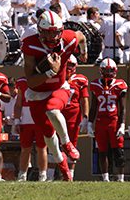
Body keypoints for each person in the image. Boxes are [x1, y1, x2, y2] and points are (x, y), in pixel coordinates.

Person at [21, 10, 87, 181]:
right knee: (49, 137)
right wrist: (50, 71)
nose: (52, 37)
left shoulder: (68, 38)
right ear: (40, 31)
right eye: (47, 33)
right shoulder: (30, 45)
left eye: (55, 33)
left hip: (59, 88)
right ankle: (63, 165)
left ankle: (67, 143)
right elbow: (31, 81)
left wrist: (84, 51)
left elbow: (81, 36)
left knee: (52, 110)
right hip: (37, 93)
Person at [89, 58, 128, 182]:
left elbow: (122, 108)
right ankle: (105, 178)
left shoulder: (119, 85)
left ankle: (120, 178)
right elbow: (93, 106)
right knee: (102, 151)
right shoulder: (95, 85)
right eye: (106, 70)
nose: (109, 73)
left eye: (111, 70)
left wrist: (122, 124)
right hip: (100, 121)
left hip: (114, 121)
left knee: (118, 151)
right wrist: (90, 123)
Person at [63, 56, 89, 179]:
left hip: (73, 116)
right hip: (58, 114)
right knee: (54, 143)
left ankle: (70, 175)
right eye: (67, 64)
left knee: (72, 145)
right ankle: (50, 175)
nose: (69, 67)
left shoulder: (80, 80)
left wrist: (85, 117)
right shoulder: (57, 77)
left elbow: (84, 99)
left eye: (71, 65)